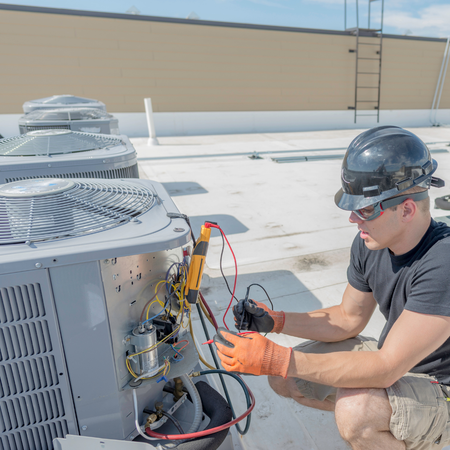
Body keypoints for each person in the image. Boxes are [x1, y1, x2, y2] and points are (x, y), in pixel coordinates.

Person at [213, 126, 450, 450]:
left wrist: (277, 358)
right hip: (396, 362)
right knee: (288, 380)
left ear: (407, 209)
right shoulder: (371, 242)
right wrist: (276, 321)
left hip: (441, 388)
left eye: (365, 209)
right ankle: (386, 433)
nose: (353, 219)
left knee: (357, 412)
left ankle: (394, 432)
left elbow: (386, 367)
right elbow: (348, 318)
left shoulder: (443, 262)